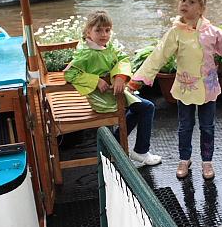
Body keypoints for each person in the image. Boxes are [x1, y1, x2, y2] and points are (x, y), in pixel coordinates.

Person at [128, 0, 222, 180]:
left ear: (201, 8)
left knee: (207, 126)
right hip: (185, 88)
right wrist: (138, 79)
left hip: (208, 88)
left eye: (191, 1)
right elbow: (158, 56)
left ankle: (207, 161)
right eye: (183, 0)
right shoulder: (175, 33)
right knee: (184, 126)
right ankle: (184, 159)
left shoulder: (212, 32)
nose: (185, 4)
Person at [65, 10, 162, 167]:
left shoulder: (105, 46)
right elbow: (70, 73)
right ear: (88, 32)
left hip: (112, 94)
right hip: (103, 98)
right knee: (146, 107)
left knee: (142, 108)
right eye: (98, 30)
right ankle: (138, 150)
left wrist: (120, 76)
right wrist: (95, 80)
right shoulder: (87, 53)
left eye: (107, 30)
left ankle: (116, 144)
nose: (104, 34)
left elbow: (123, 58)